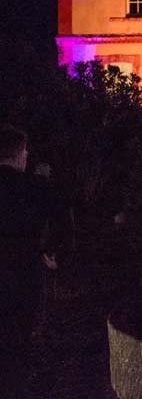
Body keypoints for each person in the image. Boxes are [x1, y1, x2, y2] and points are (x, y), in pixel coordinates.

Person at [0, 124, 70, 396]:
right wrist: (54, 254)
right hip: (25, 274)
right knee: (20, 342)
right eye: (26, 151)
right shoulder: (36, 187)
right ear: (19, 154)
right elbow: (65, 223)